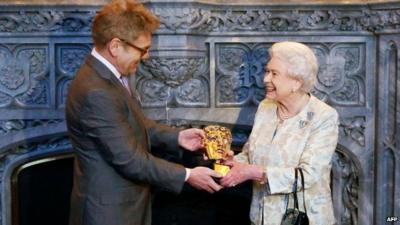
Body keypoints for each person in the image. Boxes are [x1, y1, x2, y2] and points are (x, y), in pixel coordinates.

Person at [65, 1, 222, 225]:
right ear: (116, 46)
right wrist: (187, 175)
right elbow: (131, 160)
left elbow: (132, 123)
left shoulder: (105, 78)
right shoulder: (96, 91)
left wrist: (177, 137)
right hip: (109, 215)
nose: (146, 57)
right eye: (143, 49)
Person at [220, 41, 339, 225]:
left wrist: (255, 172)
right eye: (267, 71)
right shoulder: (266, 107)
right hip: (261, 217)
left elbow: (308, 175)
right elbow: (251, 153)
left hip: (303, 219)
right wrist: (234, 163)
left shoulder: (323, 117)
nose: (265, 79)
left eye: (274, 73)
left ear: (296, 82)